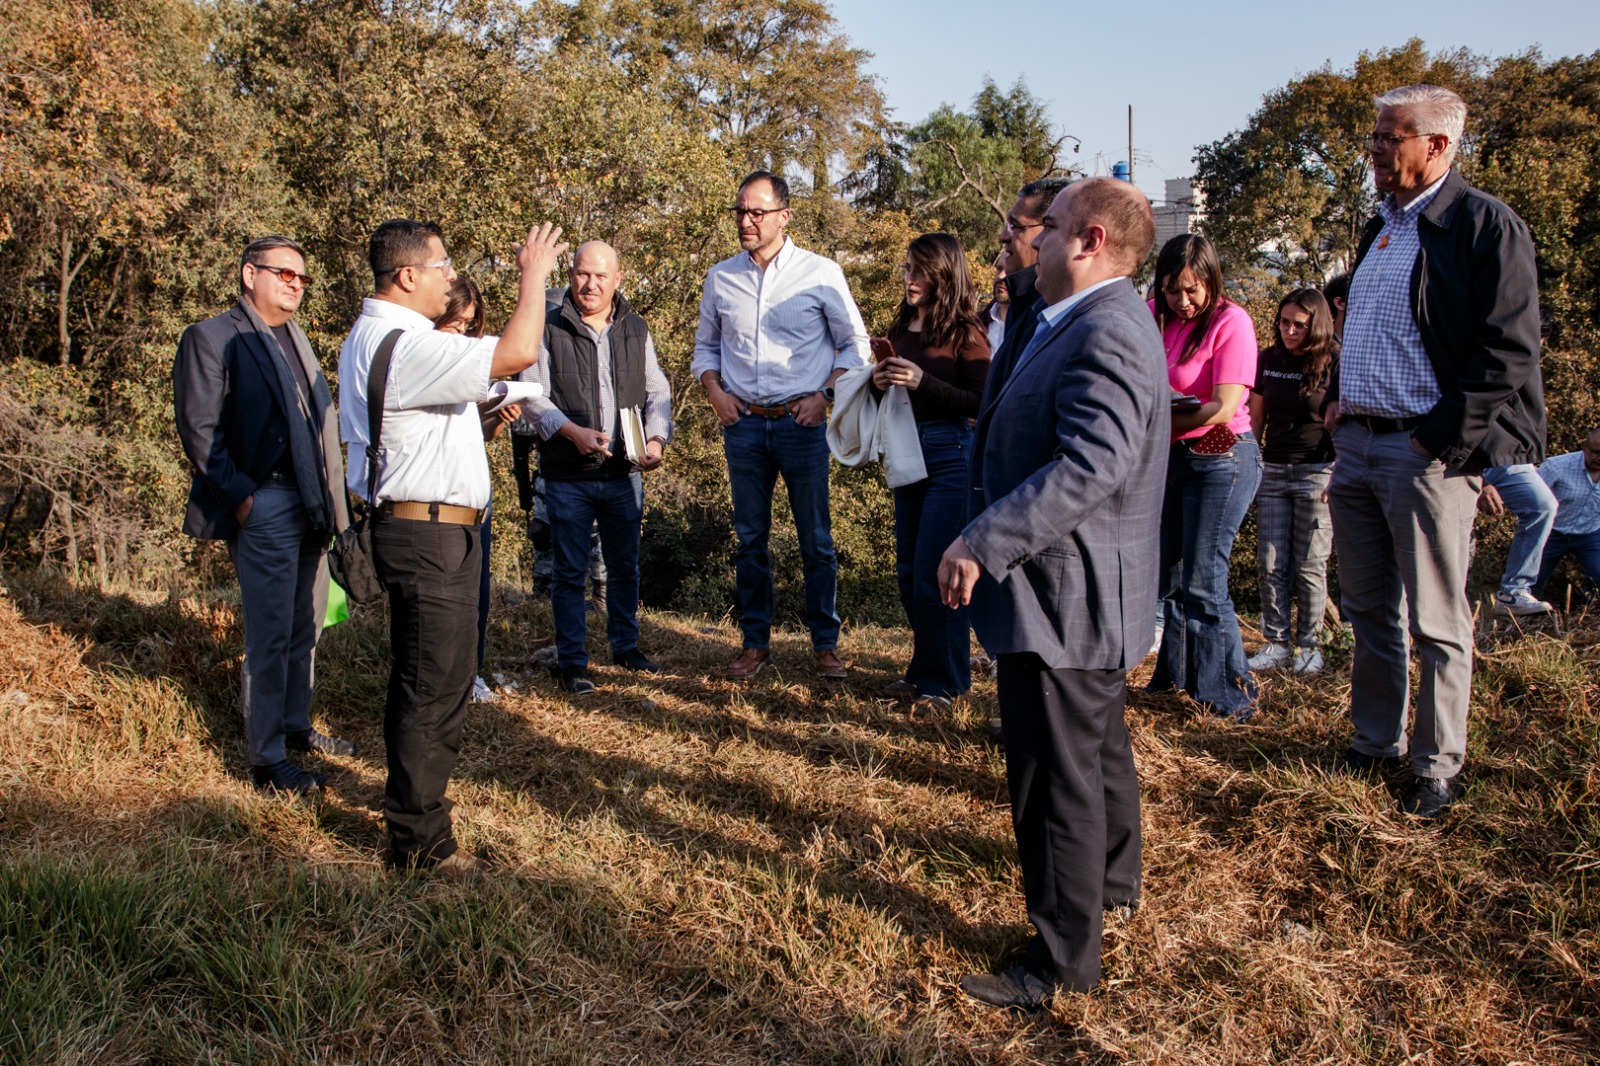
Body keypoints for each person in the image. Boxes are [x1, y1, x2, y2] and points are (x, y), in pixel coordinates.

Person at [939, 177, 1165, 1009]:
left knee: (1053, 776)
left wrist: (983, 540)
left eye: (1052, 226)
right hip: (1075, 589)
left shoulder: (1105, 331)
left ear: (1090, 241)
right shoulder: (1069, 319)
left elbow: (1092, 466)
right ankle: (1111, 887)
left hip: (1063, 592)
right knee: (1096, 750)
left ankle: (1061, 961)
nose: (1033, 241)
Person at [1323, 84, 1544, 820]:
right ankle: (1374, 742)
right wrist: (1337, 401)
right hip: (1357, 445)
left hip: (1424, 454)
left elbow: (1507, 352)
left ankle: (1436, 765)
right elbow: (1367, 328)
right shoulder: (1380, 228)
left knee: (1438, 620)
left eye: (1392, 136)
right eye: (1377, 135)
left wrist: (1436, 437)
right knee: (1369, 610)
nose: (1376, 148)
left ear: (1439, 145)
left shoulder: (1484, 226)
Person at [339, 217, 567, 874]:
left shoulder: (382, 337)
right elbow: (519, 350)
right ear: (408, 276)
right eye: (442, 267)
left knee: (429, 680)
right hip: (428, 535)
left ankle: (415, 815)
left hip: (432, 529)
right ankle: (418, 843)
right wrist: (534, 276)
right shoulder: (405, 344)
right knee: (432, 686)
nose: (449, 277)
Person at [173, 236, 354, 795]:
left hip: (312, 500)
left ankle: (295, 727)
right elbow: (199, 427)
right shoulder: (211, 336)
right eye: (285, 274)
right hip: (266, 501)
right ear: (250, 275)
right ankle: (267, 759)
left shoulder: (298, 340)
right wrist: (243, 497)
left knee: (306, 625)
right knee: (271, 632)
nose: (295, 284)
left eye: (301, 278)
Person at [691, 170, 869, 680]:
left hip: (801, 422)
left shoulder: (820, 273)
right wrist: (715, 392)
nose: (746, 221)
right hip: (744, 424)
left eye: (757, 212)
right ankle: (754, 644)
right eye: (741, 212)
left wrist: (826, 396)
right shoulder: (721, 276)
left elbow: (854, 346)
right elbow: (705, 347)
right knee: (750, 540)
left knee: (816, 539)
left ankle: (825, 646)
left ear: (784, 217)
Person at [515, 241, 672, 694]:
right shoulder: (547, 327)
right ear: (571, 275)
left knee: (625, 566)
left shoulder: (636, 328)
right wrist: (571, 431)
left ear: (618, 279)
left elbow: (657, 390)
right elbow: (532, 396)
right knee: (569, 572)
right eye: (583, 274)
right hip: (567, 475)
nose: (591, 284)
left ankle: (625, 647)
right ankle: (573, 662)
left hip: (623, 475)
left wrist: (657, 438)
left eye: (601, 276)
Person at [873, 233, 990, 714]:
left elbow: (983, 404)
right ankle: (924, 671)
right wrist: (879, 381)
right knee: (908, 572)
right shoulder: (902, 327)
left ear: (944, 274)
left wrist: (925, 381)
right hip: (905, 451)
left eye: (919, 271)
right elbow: (893, 396)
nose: (910, 279)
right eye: (907, 269)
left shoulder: (967, 333)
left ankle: (945, 685)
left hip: (949, 456)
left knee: (935, 574)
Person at [1147, 233, 1262, 720]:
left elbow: (1225, 407)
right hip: (1170, 457)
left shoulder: (1232, 321)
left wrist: (1155, 421)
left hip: (1222, 455)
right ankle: (1174, 674)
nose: (1183, 301)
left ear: (1212, 281)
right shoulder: (1152, 314)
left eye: (1193, 290)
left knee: (1203, 577)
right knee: (1168, 574)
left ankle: (1226, 690)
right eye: (1174, 290)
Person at [432, 276, 522, 704]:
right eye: (455, 323)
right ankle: (448, 682)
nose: (464, 333)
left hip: (476, 498)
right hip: (437, 502)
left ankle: (473, 672)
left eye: (470, 325)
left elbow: (475, 432)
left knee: (478, 591)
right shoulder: (427, 360)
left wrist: (500, 418)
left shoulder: (463, 361)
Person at [1246, 288, 1339, 675]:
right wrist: (1251, 463)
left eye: (1298, 325)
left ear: (1315, 325)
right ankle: (1277, 642)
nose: (1288, 331)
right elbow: (1255, 420)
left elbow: (1344, 421)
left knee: (1310, 562)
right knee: (1270, 560)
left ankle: (1309, 645)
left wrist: (1343, 472)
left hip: (1319, 470)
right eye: (1283, 323)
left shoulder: (1335, 360)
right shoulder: (1268, 360)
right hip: (1274, 468)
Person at [1478, 311, 1559, 617]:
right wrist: (1481, 476)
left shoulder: (1524, 366)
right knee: (1542, 506)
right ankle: (1513, 590)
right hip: (1489, 457)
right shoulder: (1497, 361)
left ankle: (1512, 592)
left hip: (1512, 457)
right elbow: (1476, 414)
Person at [1531, 428, 1600, 601]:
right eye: (1595, 452)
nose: (1598, 458)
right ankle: (1523, 617)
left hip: (1590, 533)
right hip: (1551, 532)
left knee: (1598, 576)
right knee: (1531, 578)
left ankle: (1588, 616)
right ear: (1585, 447)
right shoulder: (1557, 466)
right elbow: (1530, 498)